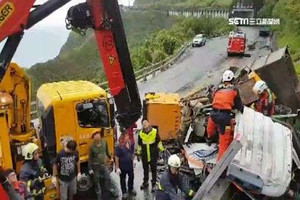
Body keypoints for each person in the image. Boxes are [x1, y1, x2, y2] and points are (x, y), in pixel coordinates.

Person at [206, 70, 244, 160]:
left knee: (210, 129)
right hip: (224, 118)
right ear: (232, 79)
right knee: (224, 142)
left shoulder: (217, 89)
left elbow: (214, 100)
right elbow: (238, 105)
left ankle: (209, 138)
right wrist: (242, 110)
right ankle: (220, 165)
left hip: (213, 114)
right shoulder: (234, 90)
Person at [88, 130, 119, 199]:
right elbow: (90, 158)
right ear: (93, 137)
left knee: (107, 177)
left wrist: (110, 158)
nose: (97, 136)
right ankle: (99, 194)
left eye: (98, 134)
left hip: (103, 165)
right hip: (95, 166)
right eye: (95, 135)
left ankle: (111, 191)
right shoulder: (92, 147)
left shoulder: (104, 142)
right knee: (96, 181)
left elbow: (107, 151)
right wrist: (90, 168)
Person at [137, 118, 165, 193]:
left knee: (153, 170)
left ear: (149, 123)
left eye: (146, 122)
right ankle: (145, 182)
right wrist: (138, 154)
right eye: (143, 123)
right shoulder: (141, 134)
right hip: (145, 155)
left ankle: (154, 184)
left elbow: (159, 142)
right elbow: (139, 145)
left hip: (153, 155)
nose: (144, 124)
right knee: (145, 170)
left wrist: (162, 151)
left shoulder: (154, 132)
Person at [115, 132, 136, 199]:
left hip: (129, 165)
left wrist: (133, 160)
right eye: (126, 136)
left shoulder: (130, 144)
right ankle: (124, 192)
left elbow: (132, 153)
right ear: (123, 138)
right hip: (122, 166)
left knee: (131, 177)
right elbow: (116, 157)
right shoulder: (119, 146)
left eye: (128, 136)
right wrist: (117, 167)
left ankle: (130, 189)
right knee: (123, 179)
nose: (128, 137)